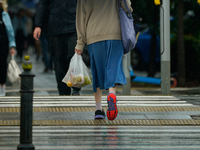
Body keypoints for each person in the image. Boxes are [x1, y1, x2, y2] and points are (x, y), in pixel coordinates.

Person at [75, 0, 133, 120]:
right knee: (114, 66)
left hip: (94, 34)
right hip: (115, 33)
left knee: (97, 71)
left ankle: (98, 109)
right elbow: (127, 7)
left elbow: (81, 17)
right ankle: (112, 94)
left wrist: (80, 42)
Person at [33, 0, 81, 96]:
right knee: (58, 62)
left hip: (74, 27)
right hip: (55, 28)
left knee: (73, 57)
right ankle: (63, 92)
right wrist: (38, 25)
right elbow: (42, 4)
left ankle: (76, 87)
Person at [0, 0, 16, 96]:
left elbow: (10, 31)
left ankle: (2, 86)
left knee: (2, 65)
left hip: (3, 45)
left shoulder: (4, 15)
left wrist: (12, 46)